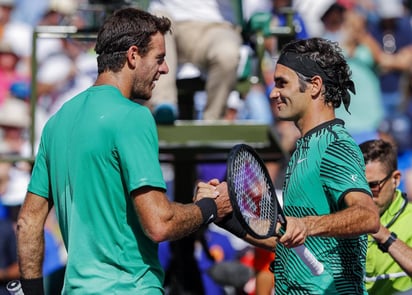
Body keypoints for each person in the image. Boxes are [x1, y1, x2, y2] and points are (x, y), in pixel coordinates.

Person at [16, 8, 234, 295]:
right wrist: (209, 208)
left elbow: (27, 221)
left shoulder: (57, 121)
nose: (165, 69)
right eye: (159, 58)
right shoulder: (134, 117)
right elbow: (159, 224)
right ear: (133, 56)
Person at [267, 37, 380, 294]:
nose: (273, 93)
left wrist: (306, 225)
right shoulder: (303, 149)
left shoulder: (334, 145)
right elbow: (292, 241)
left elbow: (367, 215)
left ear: (314, 86)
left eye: (282, 83)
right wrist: (223, 215)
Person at [147, 0, 243, 121]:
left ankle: (213, 121)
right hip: (169, 20)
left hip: (216, 26)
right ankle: (163, 105)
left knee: (227, 54)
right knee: (157, 27)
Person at [360, 139, 412, 294]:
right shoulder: (341, 217)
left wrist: (382, 234)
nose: (366, 195)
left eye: (373, 185)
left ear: (395, 179)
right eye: (359, 187)